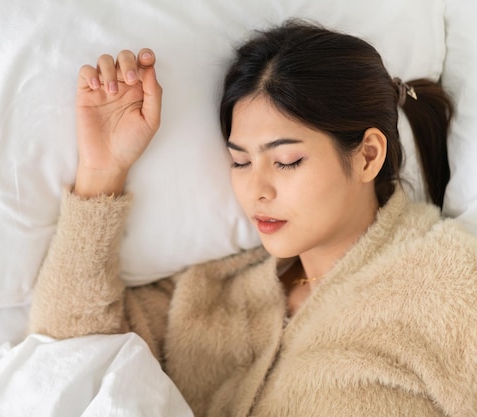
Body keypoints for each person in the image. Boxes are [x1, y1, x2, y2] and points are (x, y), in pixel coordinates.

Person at [28, 20, 477, 416]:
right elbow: (65, 351)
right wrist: (103, 170)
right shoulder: (210, 292)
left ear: (367, 156)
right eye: (240, 162)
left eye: (285, 161)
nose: (257, 191)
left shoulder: (448, 281)